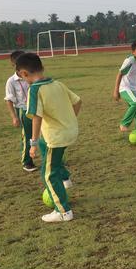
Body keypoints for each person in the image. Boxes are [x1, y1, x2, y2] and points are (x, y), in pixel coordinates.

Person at [18, 53, 81, 222]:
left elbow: (36, 118)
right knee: (52, 157)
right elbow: (78, 101)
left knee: (48, 174)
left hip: (57, 136)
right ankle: (66, 181)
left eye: (23, 78)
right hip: (70, 132)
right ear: (42, 68)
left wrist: (32, 143)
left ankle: (63, 211)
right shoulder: (57, 84)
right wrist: (70, 120)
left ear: (24, 74)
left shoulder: (35, 89)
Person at [4, 50, 37, 172]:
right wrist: (14, 117)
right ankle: (27, 162)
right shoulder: (11, 81)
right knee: (28, 137)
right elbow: (9, 100)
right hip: (23, 110)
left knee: (45, 134)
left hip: (38, 108)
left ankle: (51, 158)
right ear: (15, 65)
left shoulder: (32, 76)